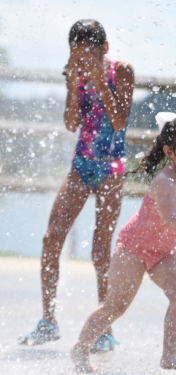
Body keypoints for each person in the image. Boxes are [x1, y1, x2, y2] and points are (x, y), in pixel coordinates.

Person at [71, 112, 176, 373]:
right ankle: (80, 350)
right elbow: (173, 219)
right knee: (116, 306)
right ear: (170, 152)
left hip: (164, 251)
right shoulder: (164, 182)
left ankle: (170, 355)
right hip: (133, 249)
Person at [19, 19, 134, 352]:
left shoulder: (121, 71)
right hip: (81, 165)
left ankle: (105, 328)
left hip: (111, 168)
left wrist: (100, 82)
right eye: (76, 54)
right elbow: (72, 124)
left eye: (89, 54)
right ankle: (48, 321)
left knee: (101, 249)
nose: (83, 60)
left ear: (105, 48)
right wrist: (73, 84)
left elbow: (118, 122)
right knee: (51, 237)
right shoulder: (76, 75)